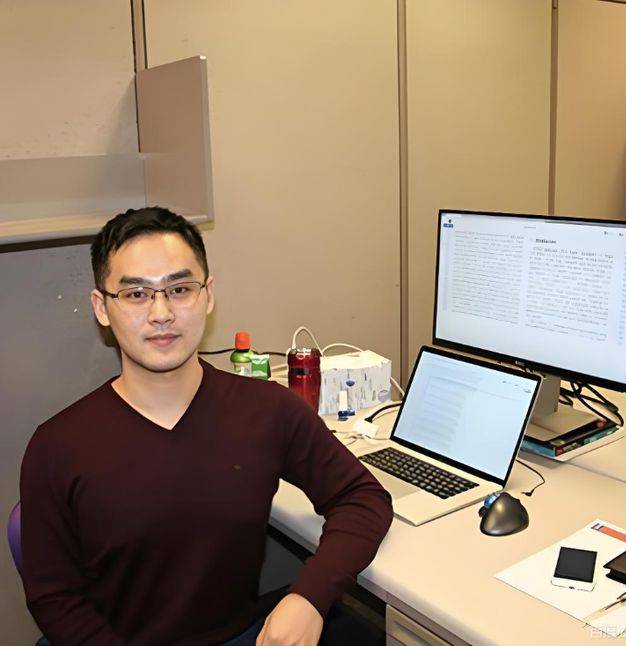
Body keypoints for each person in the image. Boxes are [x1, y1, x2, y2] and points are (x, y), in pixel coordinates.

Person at [20, 207, 393, 646]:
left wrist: (308, 598)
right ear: (102, 308)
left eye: (179, 289)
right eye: (136, 294)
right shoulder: (58, 445)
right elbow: (54, 597)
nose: (161, 313)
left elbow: (362, 498)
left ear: (208, 295)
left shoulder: (267, 410)